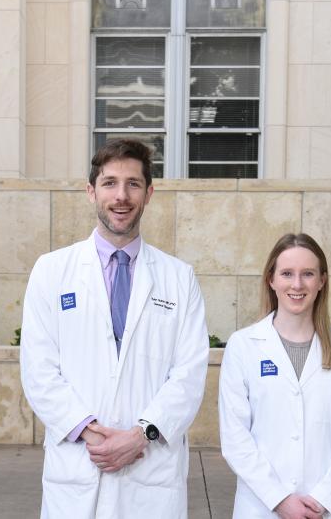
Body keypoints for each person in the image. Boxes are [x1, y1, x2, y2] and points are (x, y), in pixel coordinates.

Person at [20, 138, 209, 518]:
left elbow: (189, 374)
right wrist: (93, 434)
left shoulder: (178, 278)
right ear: (91, 191)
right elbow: (39, 369)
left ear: (149, 193)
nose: (121, 196)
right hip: (79, 464)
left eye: (133, 184)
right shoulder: (52, 271)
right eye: (109, 183)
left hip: (150, 469)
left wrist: (140, 436)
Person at [219, 233, 331, 519]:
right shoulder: (243, 346)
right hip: (262, 507)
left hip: (330, 508)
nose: (297, 284)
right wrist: (280, 500)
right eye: (287, 273)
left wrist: (322, 500)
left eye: (308, 274)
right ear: (271, 280)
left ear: (322, 281)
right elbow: (235, 437)